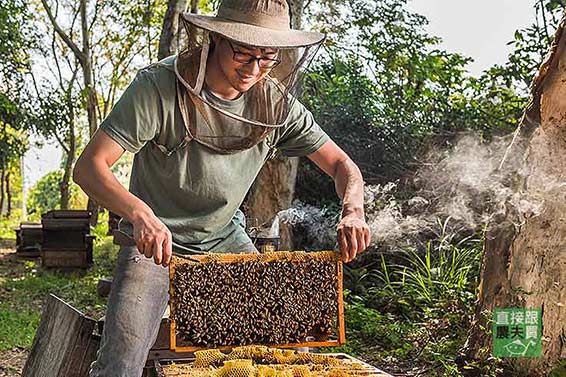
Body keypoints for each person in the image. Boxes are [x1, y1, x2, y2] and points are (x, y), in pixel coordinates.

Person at [73, 0, 371, 375]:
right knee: (121, 363)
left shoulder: (276, 104)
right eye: (243, 53)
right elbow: (88, 167)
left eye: (267, 58)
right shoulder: (158, 88)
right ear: (214, 38)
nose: (254, 69)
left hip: (224, 239)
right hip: (151, 244)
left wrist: (354, 211)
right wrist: (140, 214)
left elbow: (343, 165)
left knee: (287, 346)